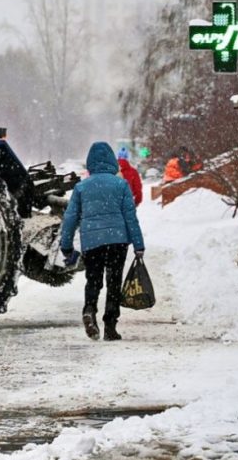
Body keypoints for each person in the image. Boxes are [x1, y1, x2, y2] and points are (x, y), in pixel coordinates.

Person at [60, 141, 145, 342]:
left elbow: (70, 218)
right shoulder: (121, 184)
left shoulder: (81, 187)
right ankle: (110, 326)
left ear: (90, 162)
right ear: (111, 161)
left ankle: (89, 309)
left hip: (92, 241)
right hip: (118, 241)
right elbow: (130, 216)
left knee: (94, 279)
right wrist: (138, 244)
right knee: (114, 282)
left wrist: (66, 245)